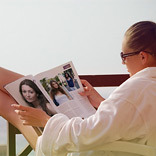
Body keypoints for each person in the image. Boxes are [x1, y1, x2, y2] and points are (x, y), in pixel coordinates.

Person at [1, 20, 156, 156]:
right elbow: (132, 119)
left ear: (143, 56)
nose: (123, 63)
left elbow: (86, 134)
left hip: (86, 151)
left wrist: (45, 120)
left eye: (124, 56)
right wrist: (101, 102)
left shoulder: (138, 88)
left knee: (10, 109)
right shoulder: (148, 87)